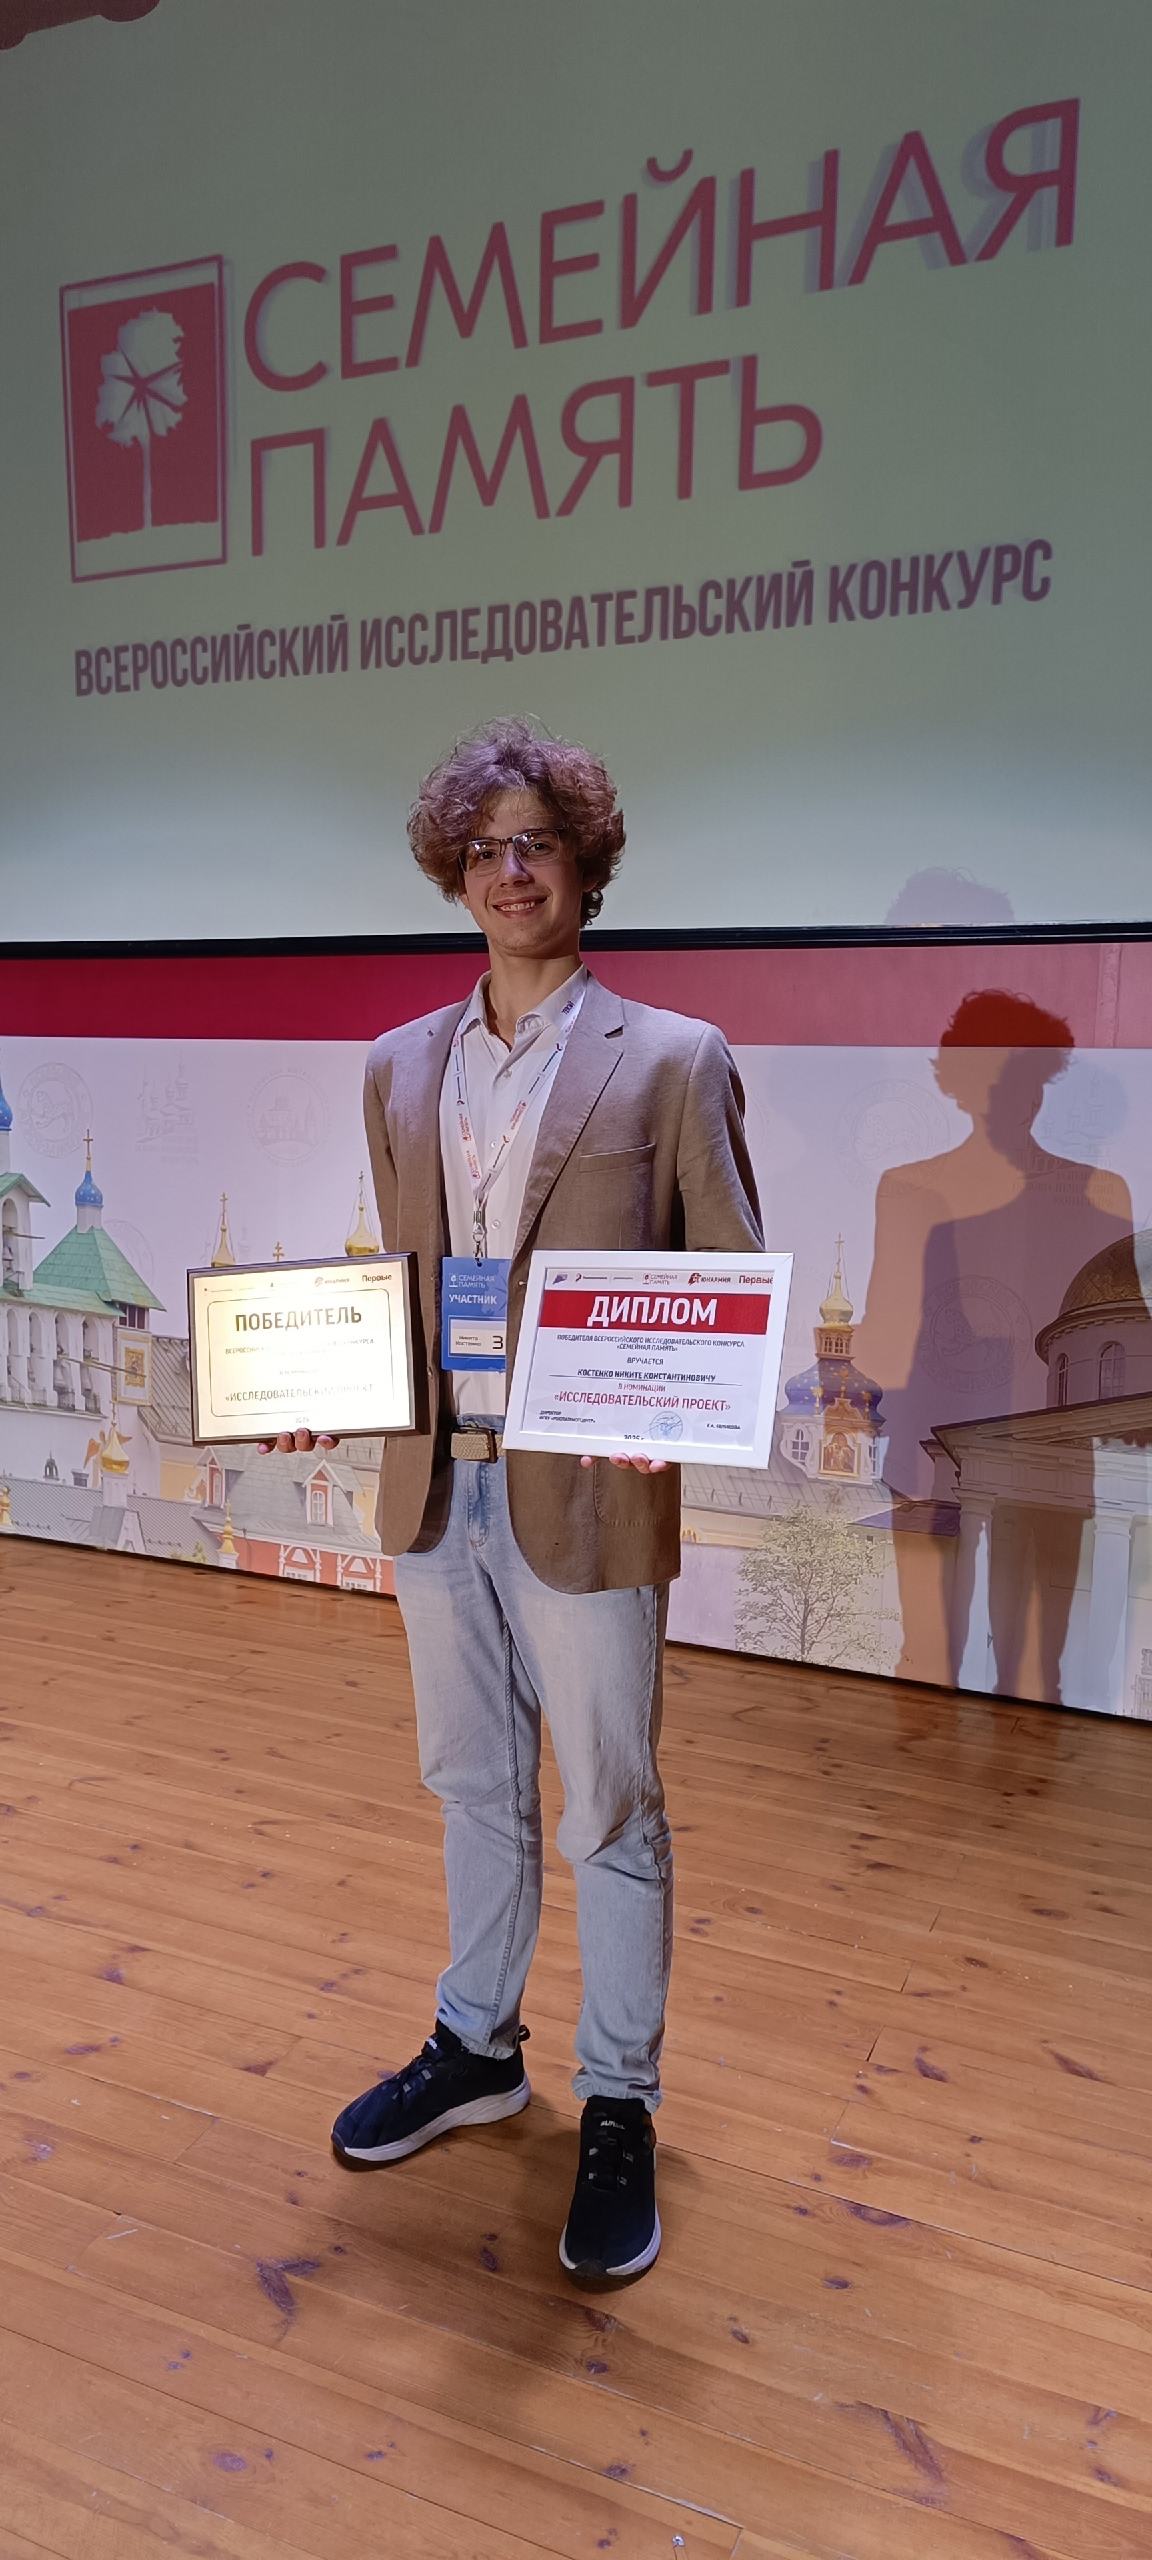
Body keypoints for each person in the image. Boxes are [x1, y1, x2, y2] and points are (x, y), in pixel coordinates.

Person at [269, 717, 762, 2286]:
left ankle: (619, 2101)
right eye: (483, 849)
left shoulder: (674, 1057)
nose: (511, 871)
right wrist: (339, 1383)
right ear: (453, 871)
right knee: (469, 1783)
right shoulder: (396, 1064)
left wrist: (672, 1407)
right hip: (439, 1488)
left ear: (585, 863)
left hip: (586, 1495)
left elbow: (723, 1282)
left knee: (609, 1805)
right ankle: (478, 2046)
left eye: (537, 842)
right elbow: (411, 1283)